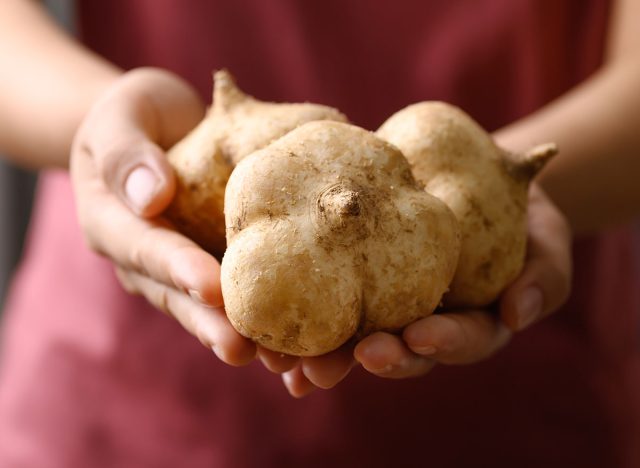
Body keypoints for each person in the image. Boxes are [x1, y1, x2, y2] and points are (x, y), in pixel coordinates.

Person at [0, 0, 638, 466]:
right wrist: (101, 124)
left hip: (518, 412)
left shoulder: (429, 216)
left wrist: (509, 191)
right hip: (117, 387)